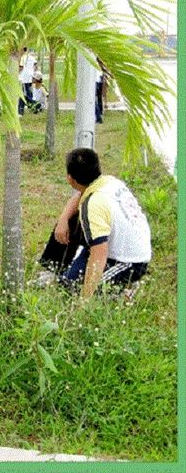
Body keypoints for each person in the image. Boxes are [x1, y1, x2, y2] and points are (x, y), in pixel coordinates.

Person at [37, 148, 151, 298]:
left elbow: (99, 253)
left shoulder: (93, 205)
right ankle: (54, 269)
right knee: (66, 284)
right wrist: (63, 220)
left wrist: (85, 300)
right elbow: (79, 196)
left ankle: (124, 291)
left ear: (70, 178)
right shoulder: (109, 181)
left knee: (78, 290)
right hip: (111, 244)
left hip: (129, 261)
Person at [17, 47, 36, 115]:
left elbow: (21, 67)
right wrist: (33, 74)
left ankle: (35, 105)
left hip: (23, 79)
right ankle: (29, 108)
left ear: (22, 50)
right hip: (29, 78)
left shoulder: (22, 58)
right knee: (27, 93)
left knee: (23, 95)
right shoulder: (31, 57)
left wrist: (14, 72)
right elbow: (35, 66)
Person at [95, 57, 110, 124]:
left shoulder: (97, 65)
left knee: (96, 99)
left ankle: (98, 117)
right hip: (99, 81)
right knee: (99, 98)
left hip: (97, 82)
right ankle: (100, 112)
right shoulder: (100, 66)